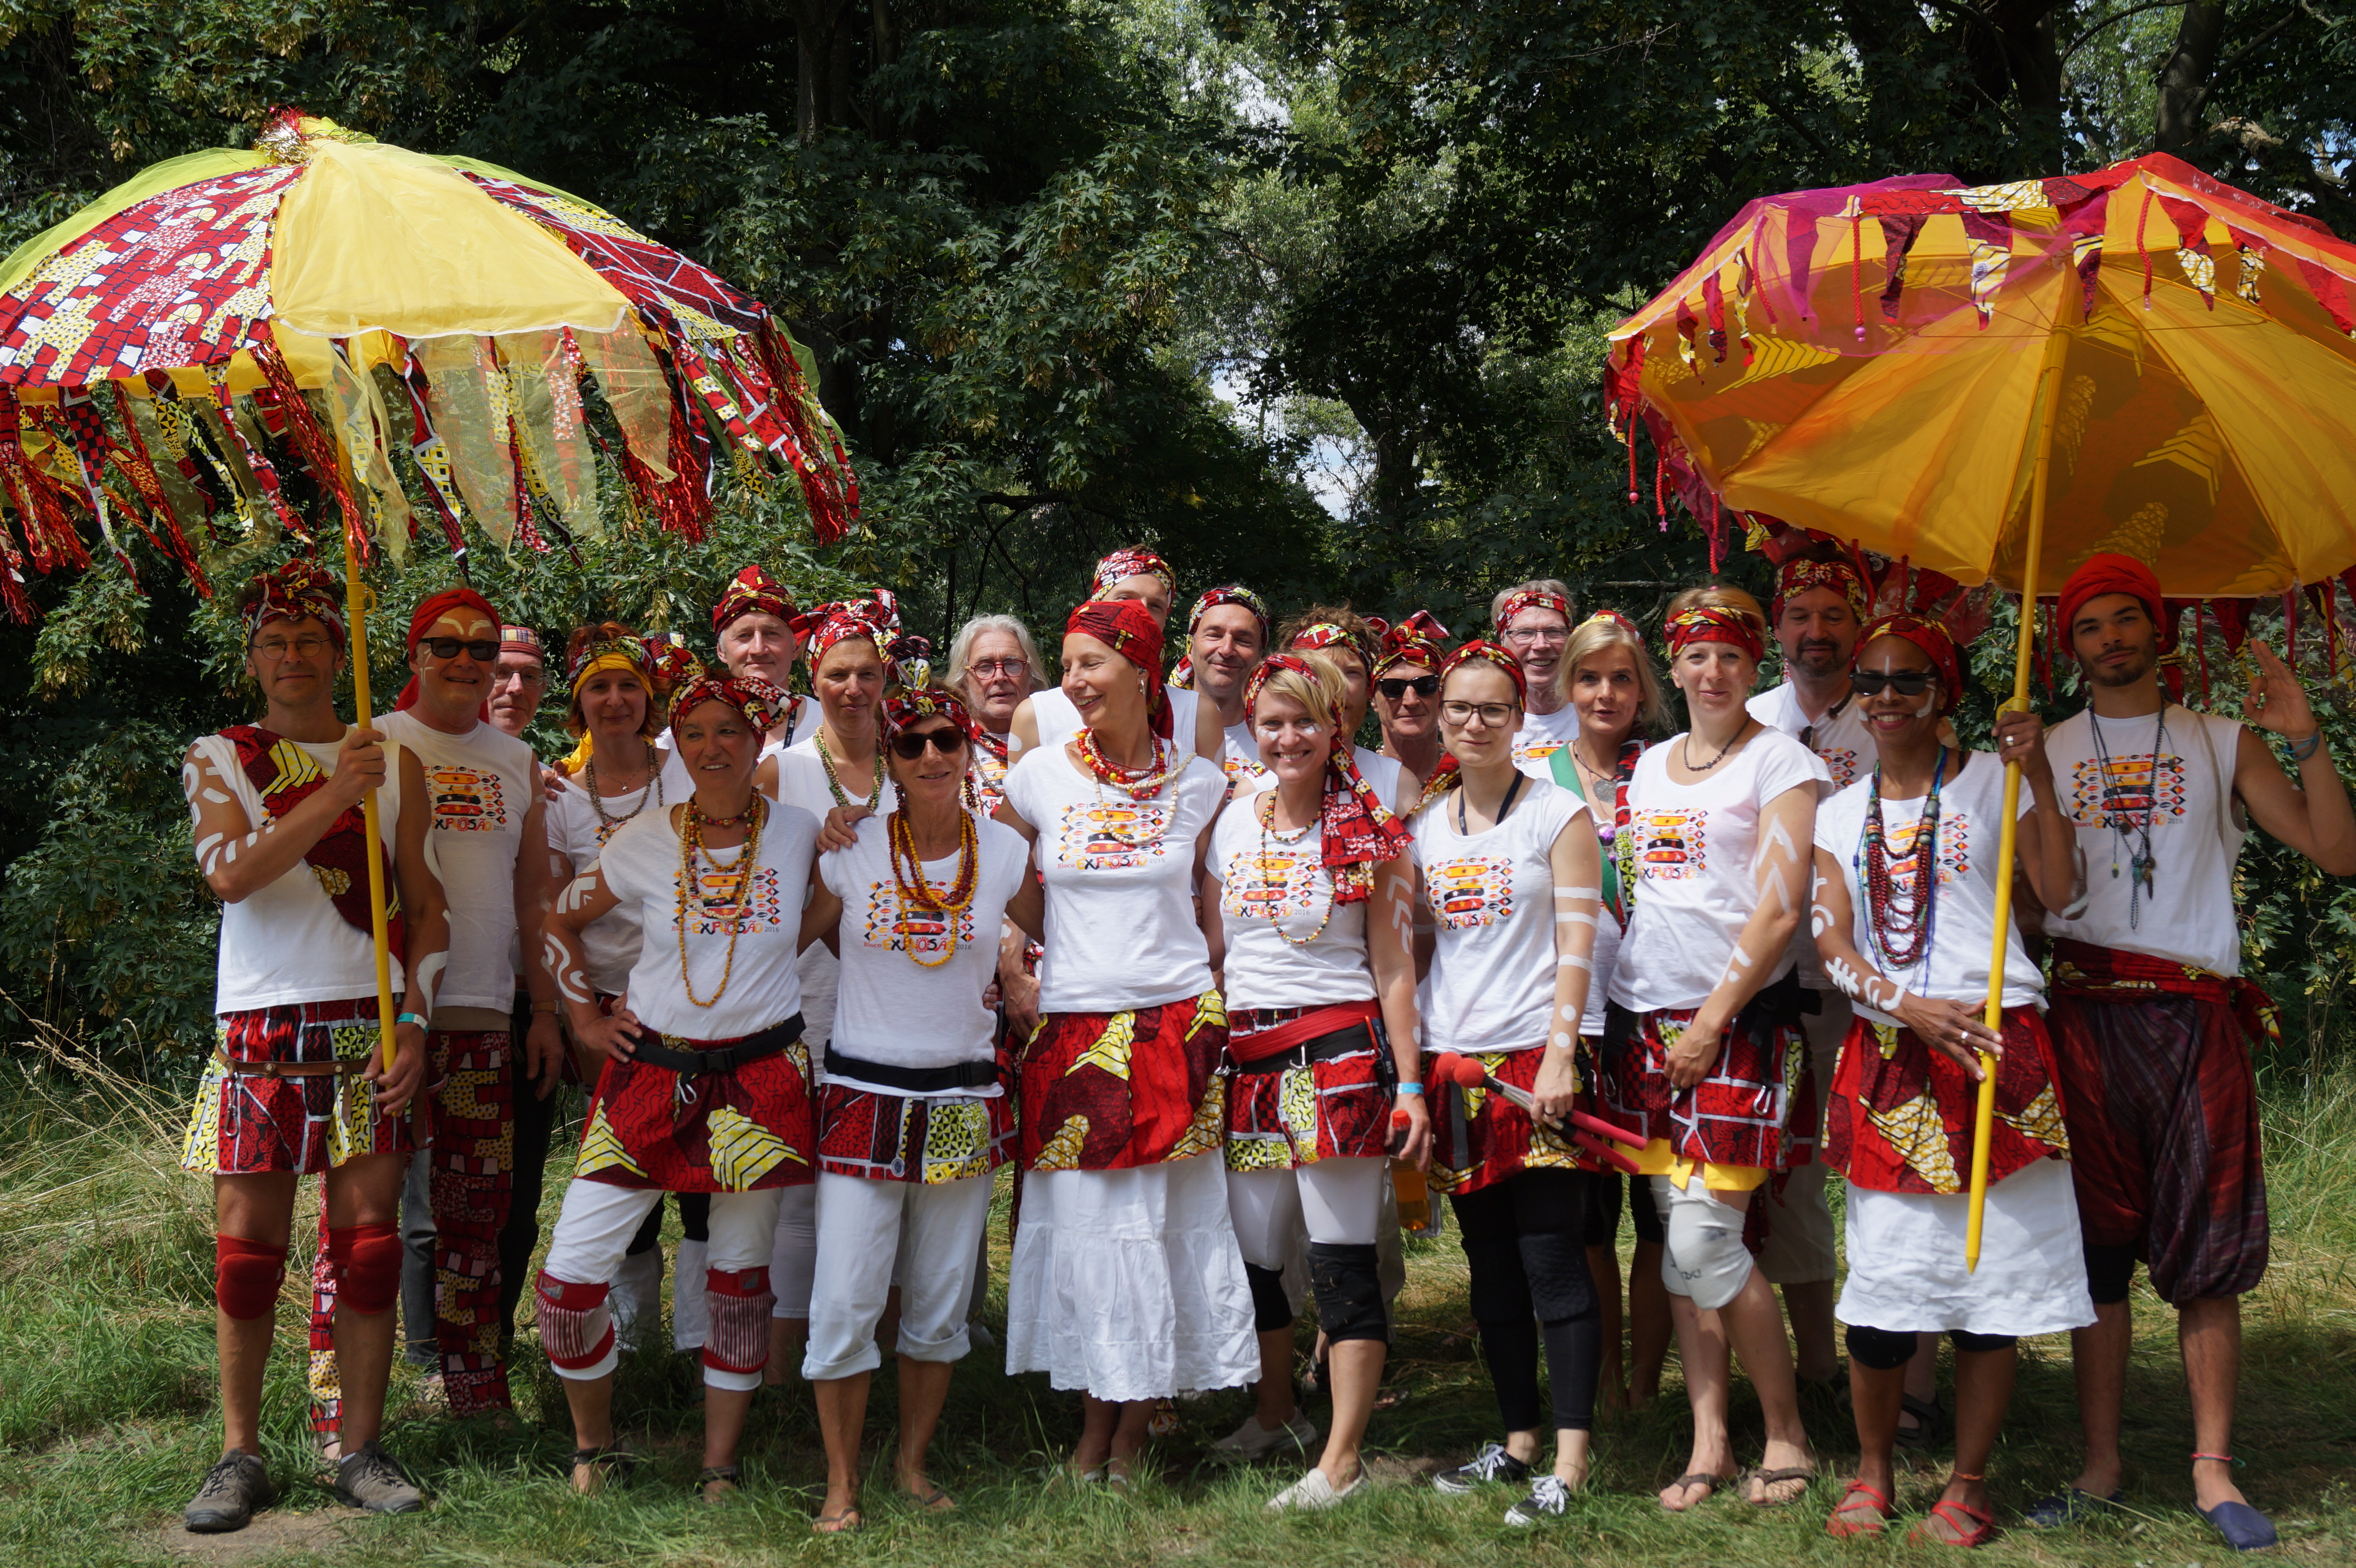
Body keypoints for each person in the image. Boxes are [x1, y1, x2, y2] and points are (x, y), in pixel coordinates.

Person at [2030, 554, 2356, 1552]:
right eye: (2091, 626)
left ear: (2159, 632)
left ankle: (2213, 1465)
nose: (2111, 638)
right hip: (2083, 1011)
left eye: (2129, 620)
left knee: (2207, 1252)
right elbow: (2033, 897)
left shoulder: (2219, 741)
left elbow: (2337, 853)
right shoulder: (2037, 748)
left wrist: (2300, 733)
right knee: (2096, 1254)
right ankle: (2099, 1460)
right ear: (2069, 645)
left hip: (2193, 1016)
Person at [1808, 614, 2091, 1546]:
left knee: (1988, 1296)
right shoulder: (1838, 812)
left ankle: (1968, 1482)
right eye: (1873, 680)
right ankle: (1875, 1469)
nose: (1888, 697)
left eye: (1910, 680)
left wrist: (2040, 775)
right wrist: (1904, 1004)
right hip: (1892, 1055)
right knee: (1886, 1291)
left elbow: (2057, 893)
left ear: (1946, 692)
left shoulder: (1993, 780)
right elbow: (1830, 940)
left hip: (1994, 1050)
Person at [178, 561, 447, 1529]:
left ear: (341, 653)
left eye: (311, 641)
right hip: (261, 1021)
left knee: (371, 1250)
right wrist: (337, 792)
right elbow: (235, 875)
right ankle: (238, 1453)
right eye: (275, 642)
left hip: (368, 1025)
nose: (294, 657)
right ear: (252, 660)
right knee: (247, 1255)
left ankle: (361, 1448)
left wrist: (415, 1020)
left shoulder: (394, 760)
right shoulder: (220, 756)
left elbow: (425, 907)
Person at [537, 673, 823, 1502]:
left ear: (759, 737)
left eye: (728, 729)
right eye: (692, 732)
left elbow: (847, 900)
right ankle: (595, 1445)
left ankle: (719, 1464)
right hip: (649, 1076)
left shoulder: (805, 833)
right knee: (568, 1281)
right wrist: (585, 1017)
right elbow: (558, 916)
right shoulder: (641, 841)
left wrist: (781, 953)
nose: (710, 747)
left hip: (762, 1080)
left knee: (739, 1279)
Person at [994, 597, 1257, 1481]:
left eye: (1090, 663)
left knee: (1154, 1230)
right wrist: (1034, 954)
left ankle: (1134, 1429)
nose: (1071, 680)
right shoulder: (1036, 775)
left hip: (1172, 1027)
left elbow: (1220, 913)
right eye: (1065, 665)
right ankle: (1090, 1425)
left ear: (1144, 673)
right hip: (1071, 1031)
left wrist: (1188, 979)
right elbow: (995, 877)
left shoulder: (1202, 782)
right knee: (1090, 1233)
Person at [798, 682, 1043, 1530]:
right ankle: (841, 1483)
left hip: (960, 1096)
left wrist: (1019, 975)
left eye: (948, 740)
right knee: (842, 1300)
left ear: (970, 748)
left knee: (940, 1302)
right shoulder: (852, 846)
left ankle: (909, 1464)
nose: (933, 756)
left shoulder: (1006, 855)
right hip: (862, 1091)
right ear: (892, 762)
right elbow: (790, 934)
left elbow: (1069, 932)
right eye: (912, 744)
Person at [1602, 588, 1822, 1511]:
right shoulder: (1648, 765)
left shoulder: (1783, 761)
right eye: (1695, 655)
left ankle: (1788, 1433)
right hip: (1641, 1019)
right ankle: (1708, 1440)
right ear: (1674, 665)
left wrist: (1709, 1023)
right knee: (1674, 1242)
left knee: (1707, 1234)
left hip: (1730, 1024)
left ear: (1753, 664)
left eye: (1731, 654)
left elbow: (1777, 908)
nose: (1713, 671)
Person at [332, 589, 559, 1428]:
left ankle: (471, 1385)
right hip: (380, 1018)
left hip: (483, 1013)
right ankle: (342, 1401)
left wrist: (542, 1010)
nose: (465, 661)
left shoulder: (518, 759)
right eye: (446, 645)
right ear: (413, 654)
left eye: (480, 647)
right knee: (362, 1218)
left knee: (476, 1213)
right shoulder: (375, 743)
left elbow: (535, 897)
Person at [1204, 654, 1427, 1508]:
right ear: (1252, 730)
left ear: (1336, 728)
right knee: (1256, 1256)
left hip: (1334, 1053)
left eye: (1305, 721)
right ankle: (1275, 1412)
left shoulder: (1371, 828)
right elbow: (1219, 946)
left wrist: (1407, 1084)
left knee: (1340, 1259)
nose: (1288, 737)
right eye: (1272, 723)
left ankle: (1341, 1459)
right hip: (1248, 1058)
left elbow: (1394, 965)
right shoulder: (1231, 821)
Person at [1408, 640, 1605, 1526]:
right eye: (1461, 710)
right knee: (1487, 1263)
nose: (1476, 723)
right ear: (1440, 721)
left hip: (1536, 1061)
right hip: (1457, 1065)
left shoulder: (1556, 815)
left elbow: (1577, 946)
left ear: (1518, 719)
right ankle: (1516, 1439)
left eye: (1493, 709)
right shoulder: (1426, 824)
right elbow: (1421, 950)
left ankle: (1571, 1457)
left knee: (1551, 1257)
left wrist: (1563, 1055)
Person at [545, 626, 710, 1365]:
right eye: (597, 687)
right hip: (614, 1011)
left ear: (651, 696)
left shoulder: (687, 771)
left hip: (701, 1003)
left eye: (627, 685)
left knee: (707, 1175)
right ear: (578, 702)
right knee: (624, 1170)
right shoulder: (559, 797)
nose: (614, 700)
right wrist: (581, 1013)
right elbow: (548, 909)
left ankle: (701, 1341)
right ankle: (634, 1341)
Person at [1743, 555, 1878, 1408]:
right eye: (1802, 616)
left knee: (1876, 1172)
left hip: (1862, 987)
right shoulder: (1745, 721)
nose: (1817, 632)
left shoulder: (1892, 715)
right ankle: (1819, 1367)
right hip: (1765, 987)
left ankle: (1893, 1363)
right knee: (1786, 1180)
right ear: (1775, 626)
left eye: (1835, 615)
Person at [764, 591, 908, 1381]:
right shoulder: (781, 769)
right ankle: (786, 1374)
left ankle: (873, 1362)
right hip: (809, 994)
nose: (853, 689)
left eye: (867, 674)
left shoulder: (914, 760)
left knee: (880, 1173)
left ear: (886, 678)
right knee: (800, 1187)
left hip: (901, 996)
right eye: (837, 673)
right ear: (812, 679)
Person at [1548, 609, 1673, 1414]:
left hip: (1658, 1009)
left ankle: (1646, 1384)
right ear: (1568, 686)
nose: (1605, 692)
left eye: (1621, 677)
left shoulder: (1669, 769)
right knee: (1588, 1219)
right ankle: (1596, 1378)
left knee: (1660, 1213)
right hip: (1581, 1017)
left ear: (1643, 690)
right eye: (1590, 677)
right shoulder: (1536, 775)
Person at [1010, 546, 1228, 762]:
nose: (1141, 613)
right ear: (1097, 607)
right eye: (1125, 599)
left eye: (1155, 606)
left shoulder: (1199, 716)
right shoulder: (1037, 716)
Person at [656, 564, 816, 797]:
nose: (759, 649)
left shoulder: (828, 727)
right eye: (744, 636)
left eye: (772, 634)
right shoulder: (676, 743)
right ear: (722, 652)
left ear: (795, 646)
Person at [947, 613, 1046, 817]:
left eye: (1012, 664)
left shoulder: (1057, 743)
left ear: (1031, 676)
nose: (1000, 677)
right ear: (963, 681)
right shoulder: (946, 747)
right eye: (985, 667)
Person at [1183, 585, 1273, 784]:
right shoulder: (1153, 723)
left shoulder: (1280, 739)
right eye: (1214, 635)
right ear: (1190, 648)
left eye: (1243, 640)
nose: (1226, 650)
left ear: (1261, 658)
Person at [1491, 582, 1579, 774]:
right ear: (1503, 643)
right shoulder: (1484, 721)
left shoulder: (1597, 716)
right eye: (1525, 633)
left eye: (1555, 632)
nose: (1541, 645)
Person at [1371, 611, 1449, 784]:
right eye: (1393, 688)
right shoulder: (1355, 782)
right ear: (1372, 699)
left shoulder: (1473, 779)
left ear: (1442, 694)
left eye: (1426, 685)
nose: (1411, 701)